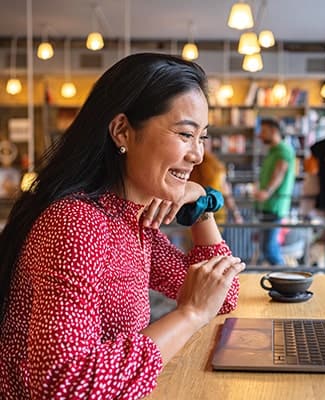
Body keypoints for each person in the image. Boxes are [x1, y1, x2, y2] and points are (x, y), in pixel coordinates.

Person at [0, 53, 246, 399]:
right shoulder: (75, 225)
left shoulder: (132, 221)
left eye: (201, 137)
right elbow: (63, 387)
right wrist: (189, 315)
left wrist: (201, 202)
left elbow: (221, 295)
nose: (198, 155)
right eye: (185, 134)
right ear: (123, 132)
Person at [253, 117, 295, 265]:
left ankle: (286, 278)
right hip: (268, 205)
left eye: (263, 131)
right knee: (266, 246)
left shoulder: (283, 149)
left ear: (274, 131)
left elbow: (280, 171)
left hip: (275, 205)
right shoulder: (272, 151)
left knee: (268, 248)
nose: (259, 135)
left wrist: (267, 192)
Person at [190, 150, 244, 226]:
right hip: (216, 215)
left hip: (193, 215)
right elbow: (227, 195)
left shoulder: (190, 174)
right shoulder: (218, 173)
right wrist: (236, 214)